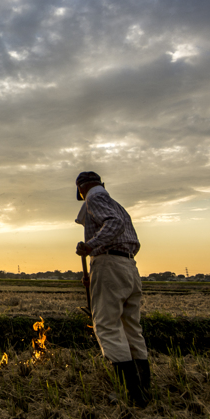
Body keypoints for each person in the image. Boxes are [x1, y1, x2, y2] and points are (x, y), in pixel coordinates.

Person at [74, 171, 150, 407]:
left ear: (80, 189)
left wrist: (91, 247)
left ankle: (131, 394)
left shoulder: (94, 198)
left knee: (107, 326)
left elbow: (113, 225)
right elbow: (127, 234)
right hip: (128, 265)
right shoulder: (116, 204)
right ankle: (143, 393)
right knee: (131, 328)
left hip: (109, 263)